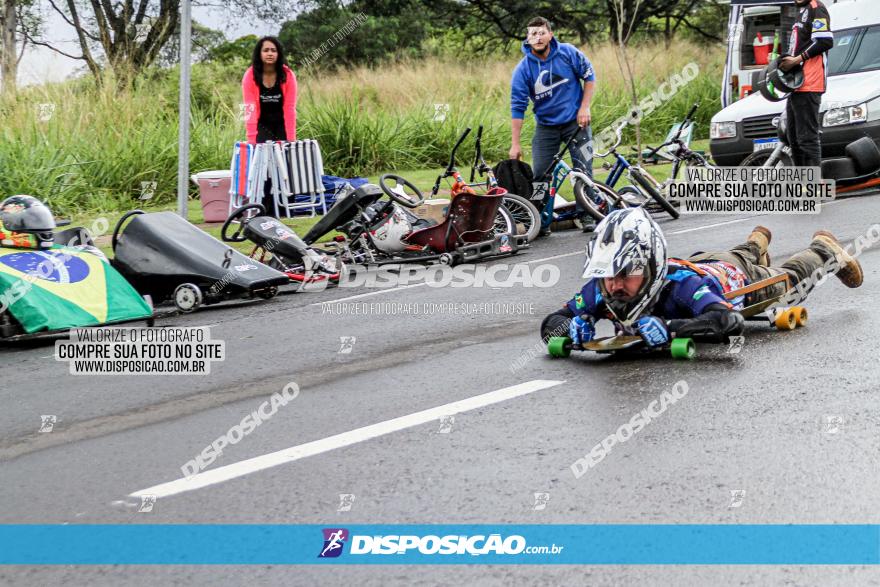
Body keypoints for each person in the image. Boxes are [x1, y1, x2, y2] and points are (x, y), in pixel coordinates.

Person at [540, 207, 863, 348]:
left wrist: (671, 328)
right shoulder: (603, 290)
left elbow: (729, 322)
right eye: (607, 275)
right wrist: (572, 327)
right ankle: (755, 244)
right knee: (735, 254)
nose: (615, 286)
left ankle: (822, 250)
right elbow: (551, 322)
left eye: (627, 274)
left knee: (789, 283)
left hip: (733, 279)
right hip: (704, 261)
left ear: (651, 267)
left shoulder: (682, 288)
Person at [510, 17, 597, 237]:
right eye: (532, 34)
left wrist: (584, 108)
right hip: (546, 127)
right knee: (540, 173)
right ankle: (540, 220)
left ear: (550, 34)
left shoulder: (568, 53)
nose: (537, 38)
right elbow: (518, 107)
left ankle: (586, 213)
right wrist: (515, 144)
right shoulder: (523, 69)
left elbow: (589, 76)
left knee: (583, 169)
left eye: (541, 33)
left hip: (575, 122)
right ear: (528, 39)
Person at [242, 37, 298, 217]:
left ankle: (282, 207)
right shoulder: (250, 75)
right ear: (259, 53)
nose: (270, 54)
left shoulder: (287, 74)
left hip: (281, 125)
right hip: (260, 127)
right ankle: (262, 208)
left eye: (273, 50)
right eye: (266, 50)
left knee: (283, 167)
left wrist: (290, 138)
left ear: (278, 53)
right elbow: (248, 108)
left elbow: (290, 108)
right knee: (262, 168)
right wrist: (251, 138)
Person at [779, 0, 833, 169]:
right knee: (793, 138)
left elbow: (825, 42)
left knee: (807, 139)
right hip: (796, 85)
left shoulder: (817, 8)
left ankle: (814, 185)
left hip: (810, 84)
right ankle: (802, 183)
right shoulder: (802, 11)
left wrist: (797, 59)